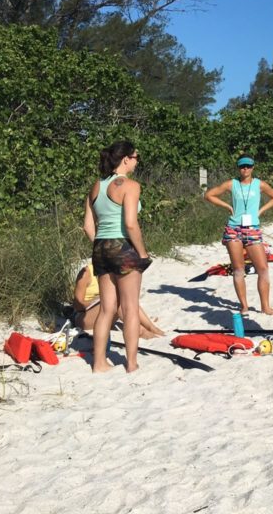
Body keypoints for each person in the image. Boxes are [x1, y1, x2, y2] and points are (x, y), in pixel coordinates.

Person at [82, 140, 152, 373]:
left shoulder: (96, 186)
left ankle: (99, 363)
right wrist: (141, 252)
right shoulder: (130, 185)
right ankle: (131, 363)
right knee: (130, 307)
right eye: (136, 157)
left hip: (101, 248)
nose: (136, 161)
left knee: (107, 309)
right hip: (123, 247)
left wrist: (103, 244)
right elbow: (131, 224)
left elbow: (87, 226)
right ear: (126, 159)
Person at [204, 156, 273, 315]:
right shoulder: (231, 184)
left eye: (248, 166)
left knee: (263, 268)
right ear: (238, 168)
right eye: (242, 167)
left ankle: (265, 307)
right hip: (234, 228)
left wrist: (260, 211)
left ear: (253, 167)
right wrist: (227, 206)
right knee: (238, 269)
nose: (245, 169)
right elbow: (209, 195)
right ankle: (244, 306)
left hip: (252, 228)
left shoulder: (259, 184)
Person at [72, 264, 164, 339]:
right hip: (83, 316)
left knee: (125, 298)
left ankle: (151, 327)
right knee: (117, 300)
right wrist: (98, 300)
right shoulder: (87, 273)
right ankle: (140, 330)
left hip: (104, 312)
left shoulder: (113, 271)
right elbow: (77, 305)